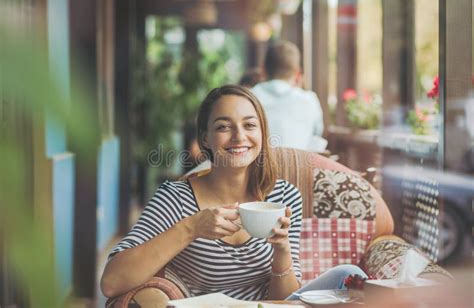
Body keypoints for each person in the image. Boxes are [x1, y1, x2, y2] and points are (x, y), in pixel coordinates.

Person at [100, 85, 365, 301]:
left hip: (267, 305)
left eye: (250, 125)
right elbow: (111, 282)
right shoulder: (177, 197)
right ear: (205, 138)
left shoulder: (284, 197)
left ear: (262, 133)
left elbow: (284, 300)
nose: (239, 137)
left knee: (349, 275)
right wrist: (192, 227)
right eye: (224, 127)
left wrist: (282, 250)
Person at [252, 40, 326, 151]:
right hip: (299, 166)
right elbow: (317, 135)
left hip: (259, 166)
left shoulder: (249, 97)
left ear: (263, 69)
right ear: (298, 73)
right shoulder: (310, 100)